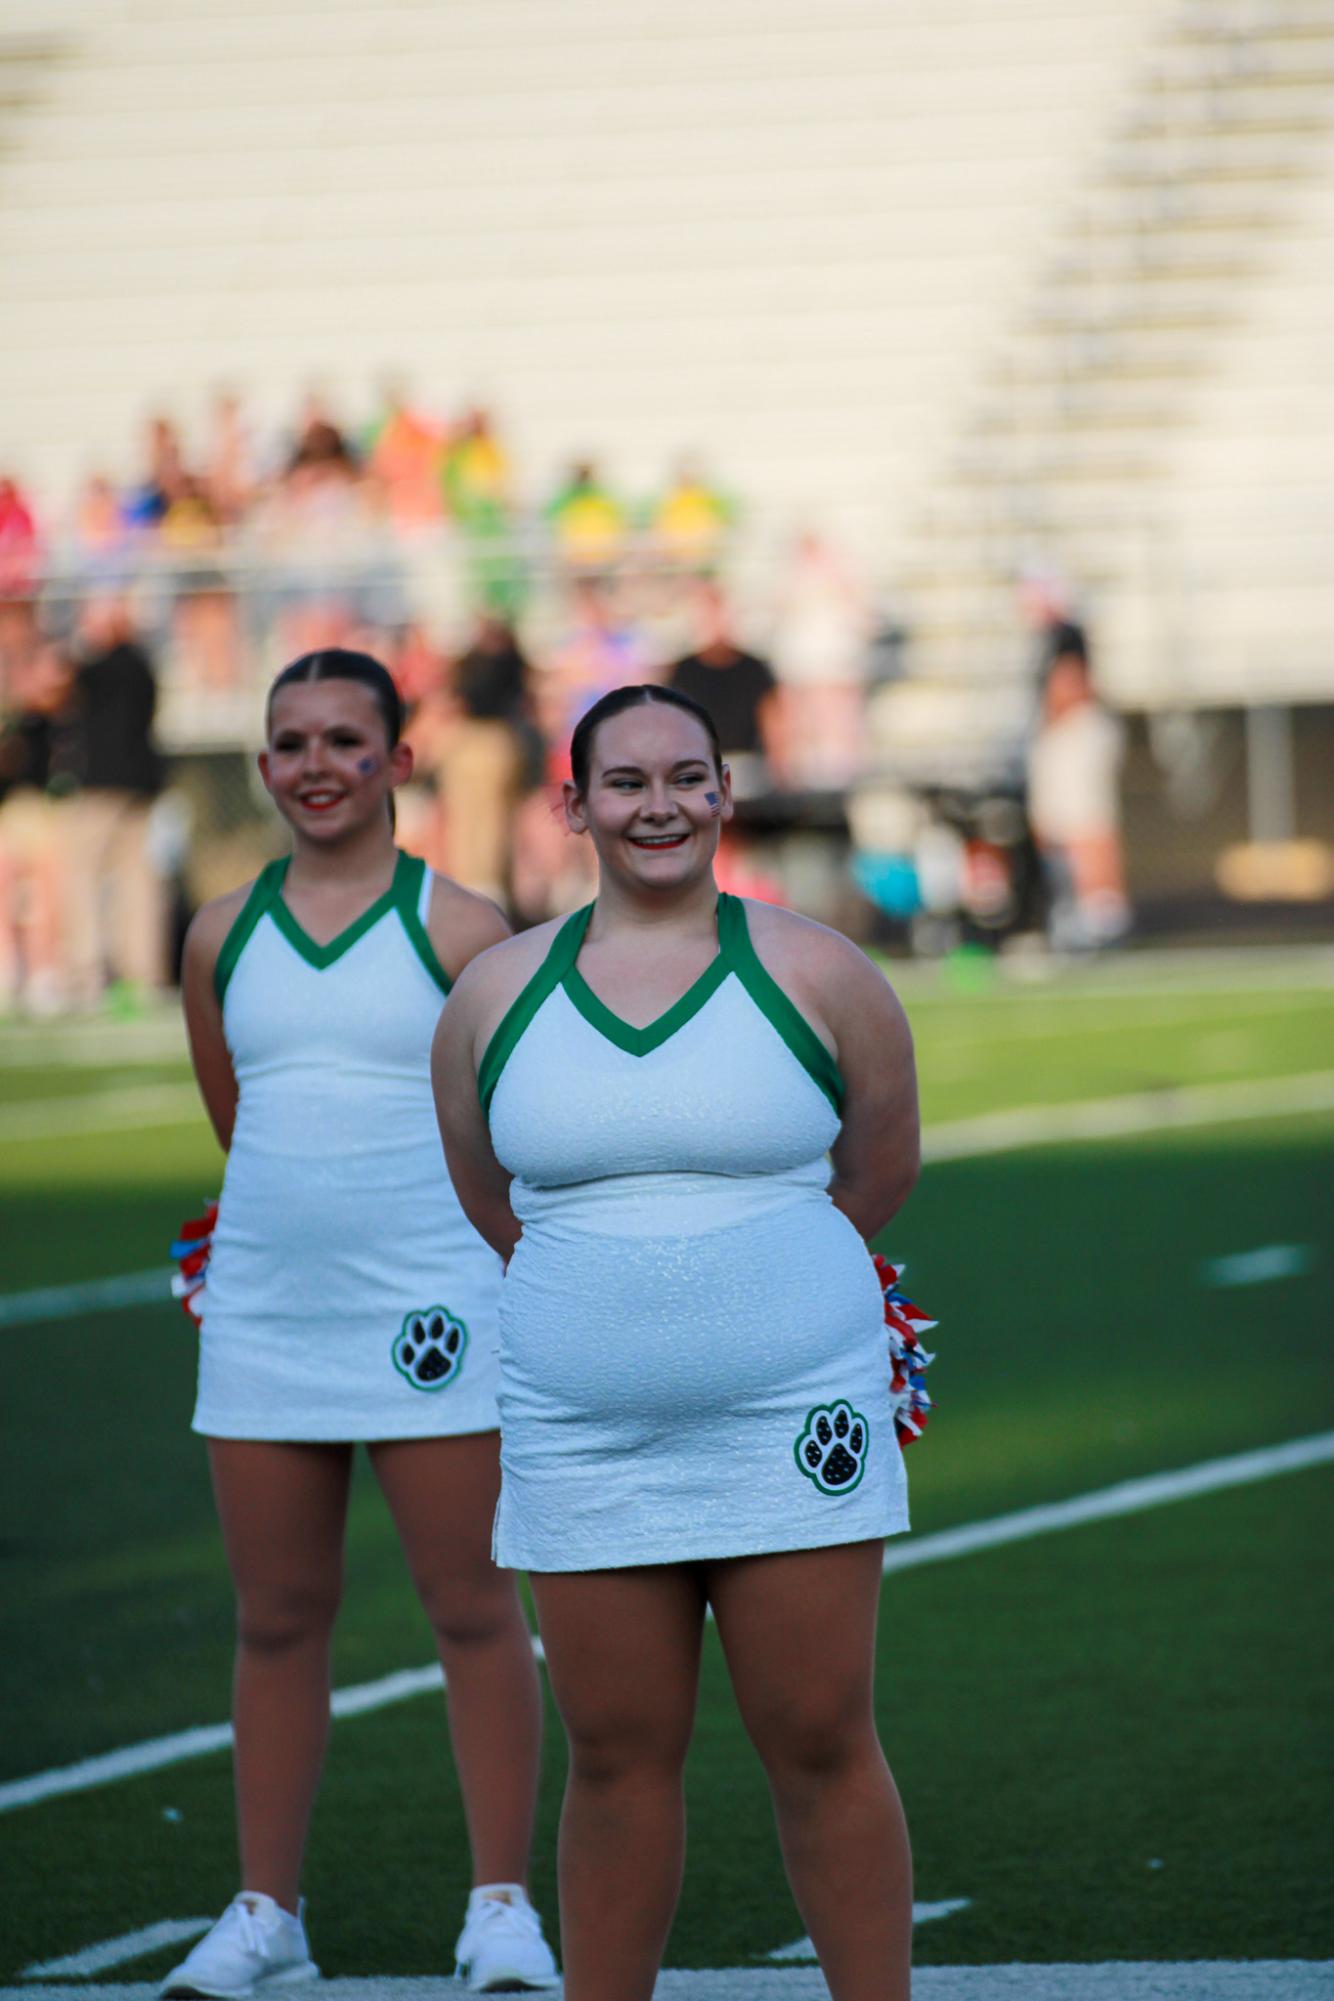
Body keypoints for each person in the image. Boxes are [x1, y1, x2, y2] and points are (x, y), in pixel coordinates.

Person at [434, 683, 921, 2001]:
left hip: (793, 1417)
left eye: (684, 776)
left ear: (721, 791)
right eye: (625, 781)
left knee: (820, 1739)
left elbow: (880, 1165)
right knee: (613, 1753)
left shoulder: (820, 969)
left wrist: (750, 1291)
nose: (658, 804)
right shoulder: (493, 993)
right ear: (573, 803)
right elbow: (489, 1197)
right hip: (583, 1431)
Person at [166, 649, 558, 1996]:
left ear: (399, 758)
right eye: (291, 742)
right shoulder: (219, 932)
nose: (317, 764)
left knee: (469, 1606)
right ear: (263, 765)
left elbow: (507, 1122)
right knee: (276, 1618)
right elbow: (239, 1119)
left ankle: (500, 1904)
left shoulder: (460, 925)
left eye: (345, 738)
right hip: (270, 1305)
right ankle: (267, 1913)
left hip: (433, 1311)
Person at [1026, 643, 1129, 950]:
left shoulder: (1092, 726)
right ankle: (1076, 936)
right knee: (1063, 889)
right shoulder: (1045, 730)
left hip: (1085, 820)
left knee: (1096, 882)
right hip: (1057, 824)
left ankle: (1106, 934)